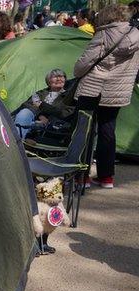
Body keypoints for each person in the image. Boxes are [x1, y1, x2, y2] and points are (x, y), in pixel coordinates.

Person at [74, 4, 139, 188]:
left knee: (84, 132)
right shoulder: (136, 35)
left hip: (93, 89)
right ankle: (106, 177)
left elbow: (83, 65)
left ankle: (81, 177)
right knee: (107, 132)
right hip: (117, 91)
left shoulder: (103, 34)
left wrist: (76, 71)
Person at [13, 68, 75, 139]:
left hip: (52, 123)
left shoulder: (68, 97)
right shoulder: (41, 93)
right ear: (49, 81)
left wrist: (46, 117)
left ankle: (18, 135)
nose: (59, 79)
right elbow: (28, 104)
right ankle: (17, 139)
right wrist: (41, 116)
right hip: (33, 117)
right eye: (55, 77)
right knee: (25, 112)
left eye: (61, 76)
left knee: (27, 124)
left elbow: (64, 113)